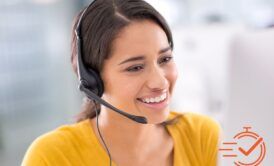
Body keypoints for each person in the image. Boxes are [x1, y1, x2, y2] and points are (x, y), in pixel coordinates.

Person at [22, 0, 221, 166]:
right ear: (93, 79)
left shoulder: (203, 136)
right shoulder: (52, 157)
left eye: (165, 59)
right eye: (135, 68)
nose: (160, 82)